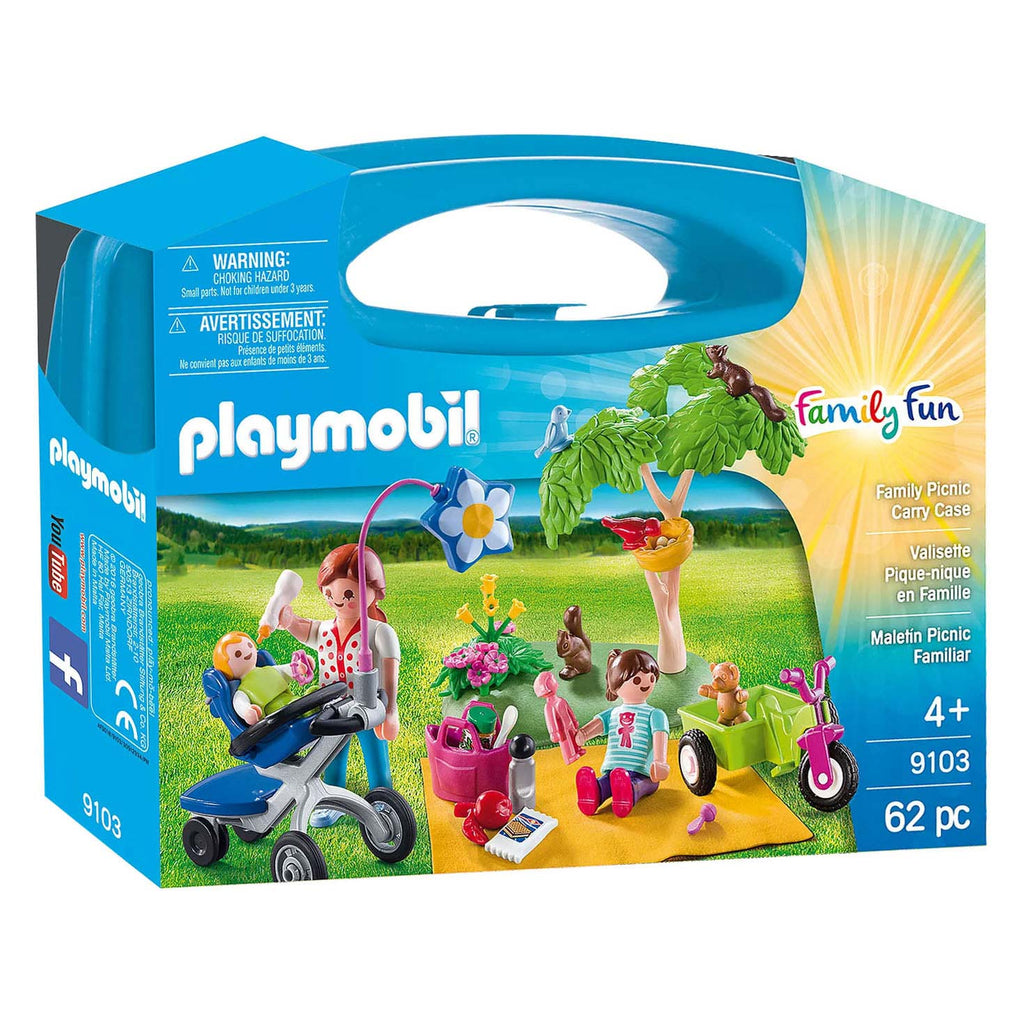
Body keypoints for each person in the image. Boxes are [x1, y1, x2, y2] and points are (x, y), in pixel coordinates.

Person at [278, 543, 400, 827]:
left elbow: (390, 671)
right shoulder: (325, 629)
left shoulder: (380, 631)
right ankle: (333, 798)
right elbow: (303, 628)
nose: (339, 601)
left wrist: (391, 710)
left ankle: (383, 798)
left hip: (368, 705)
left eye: (348, 594)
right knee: (331, 754)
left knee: (376, 756)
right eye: (330, 594)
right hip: (332, 707)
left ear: (374, 590)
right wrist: (287, 618)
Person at [574, 648, 670, 818]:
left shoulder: (655, 714)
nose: (646, 683)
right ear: (616, 684)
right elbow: (590, 730)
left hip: (644, 773)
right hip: (614, 770)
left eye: (651, 678)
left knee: (635, 783)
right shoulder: (613, 714)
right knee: (608, 781)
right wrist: (581, 735)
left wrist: (660, 762)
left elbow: (660, 736)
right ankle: (593, 793)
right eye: (637, 679)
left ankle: (629, 793)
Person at [213, 631, 314, 725]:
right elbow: (239, 702)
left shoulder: (269, 670)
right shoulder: (243, 691)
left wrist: (299, 667)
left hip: (292, 701)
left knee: (309, 697)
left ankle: (312, 703)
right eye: (238, 654)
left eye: (249, 645)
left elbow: (287, 671)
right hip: (277, 716)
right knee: (300, 708)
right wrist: (247, 711)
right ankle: (310, 709)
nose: (246, 651)